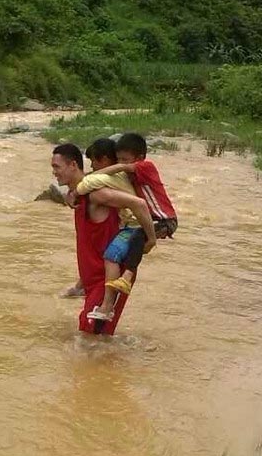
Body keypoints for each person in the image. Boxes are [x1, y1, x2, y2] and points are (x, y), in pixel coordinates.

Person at [51, 143, 156, 335]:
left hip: (108, 281)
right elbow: (91, 244)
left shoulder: (96, 194)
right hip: (93, 282)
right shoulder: (78, 195)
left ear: (73, 165)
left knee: (92, 341)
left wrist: (151, 239)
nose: (54, 173)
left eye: (57, 167)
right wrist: (80, 285)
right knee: (94, 341)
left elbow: (139, 204)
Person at [83, 132, 177, 304]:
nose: (121, 163)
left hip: (165, 220)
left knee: (138, 237)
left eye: (125, 159)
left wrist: (91, 177)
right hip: (148, 219)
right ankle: (103, 293)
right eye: (119, 159)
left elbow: (116, 171)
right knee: (118, 251)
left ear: (140, 158)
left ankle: (127, 276)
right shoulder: (130, 173)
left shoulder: (146, 166)